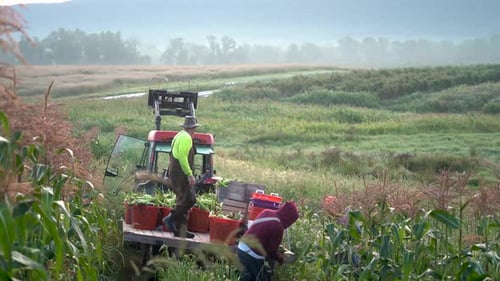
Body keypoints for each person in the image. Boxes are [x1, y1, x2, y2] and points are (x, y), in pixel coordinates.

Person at [237, 201, 299, 281]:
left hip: (241, 247)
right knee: (262, 277)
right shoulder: (278, 226)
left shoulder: (267, 212)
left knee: (247, 276)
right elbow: (271, 252)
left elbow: (259, 232)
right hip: (252, 254)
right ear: (288, 218)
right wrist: (280, 259)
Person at [162, 115, 200, 238]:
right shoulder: (186, 138)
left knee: (182, 199)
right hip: (181, 173)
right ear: (192, 128)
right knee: (190, 199)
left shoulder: (178, 135)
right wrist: (189, 174)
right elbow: (183, 158)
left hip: (174, 171)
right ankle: (171, 217)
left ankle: (180, 231)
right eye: (194, 128)